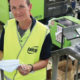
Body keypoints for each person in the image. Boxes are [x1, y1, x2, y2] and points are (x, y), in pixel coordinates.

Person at [0, 0, 52, 80]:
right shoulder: (7, 26)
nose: (17, 12)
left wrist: (30, 67)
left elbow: (45, 60)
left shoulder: (44, 32)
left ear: (30, 7)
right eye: (13, 8)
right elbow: (1, 50)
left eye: (21, 6)